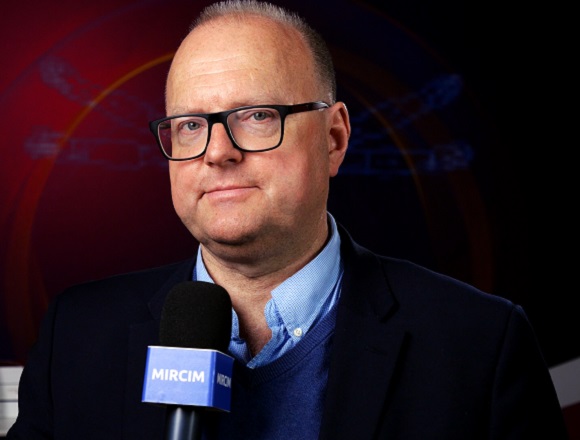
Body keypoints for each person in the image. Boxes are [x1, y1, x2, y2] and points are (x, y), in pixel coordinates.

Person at [6, 1, 568, 439]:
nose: (217, 152)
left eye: (256, 116)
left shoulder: (479, 346)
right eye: (191, 125)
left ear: (334, 138)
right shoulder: (75, 339)